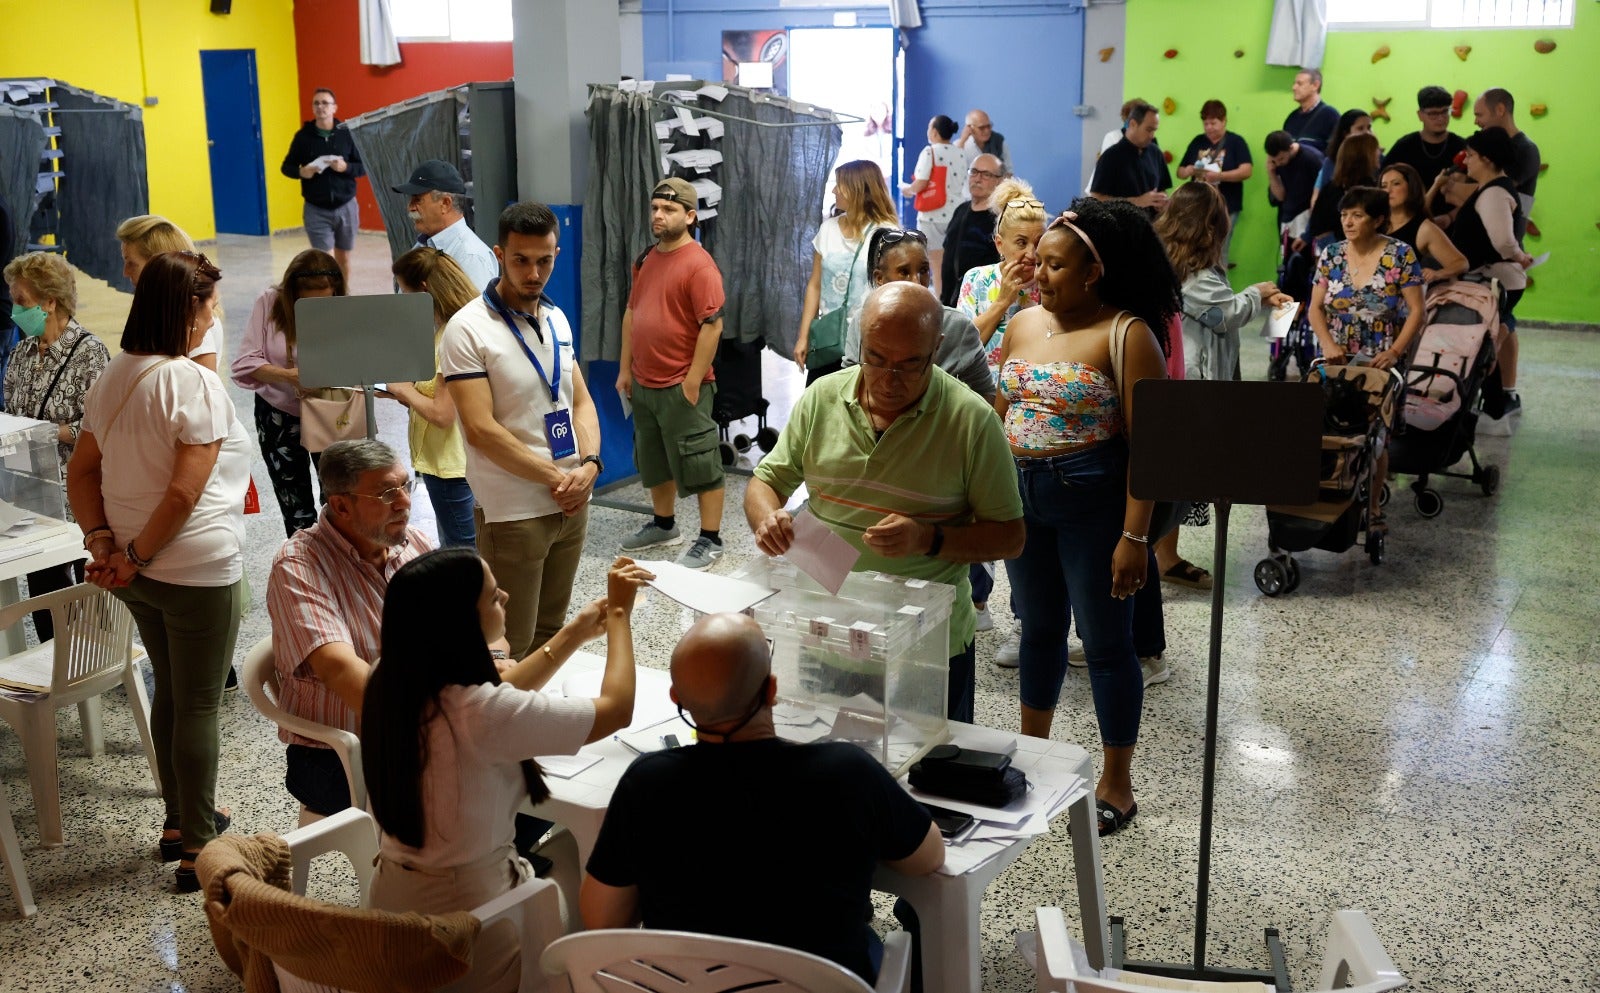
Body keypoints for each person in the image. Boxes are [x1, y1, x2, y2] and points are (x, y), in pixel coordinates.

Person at [580, 612, 943, 984]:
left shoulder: (647, 783)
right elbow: (928, 857)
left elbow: (602, 919)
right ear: (771, 690)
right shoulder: (847, 771)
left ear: (678, 699)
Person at [364, 550, 649, 993]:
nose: (506, 597)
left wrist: (572, 632)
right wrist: (618, 615)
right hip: (474, 921)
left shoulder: (389, 679)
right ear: (461, 624)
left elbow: (494, 697)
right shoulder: (482, 714)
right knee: (592, 855)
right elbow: (616, 710)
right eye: (494, 598)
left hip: (392, 905)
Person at [745, 283, 1026, 723]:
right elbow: (766, 481)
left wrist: (928, 539)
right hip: (828, 631)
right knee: (827, 767)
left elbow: (1010, 537)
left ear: (938, 347)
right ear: (859, 342)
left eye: (910, 364)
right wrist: (768, 520)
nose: (889, 380)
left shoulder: (971, 421)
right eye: (875, 359)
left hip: (926, 644)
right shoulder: (823, 398)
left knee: (929, 778)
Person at [993, 198, 1181, 834]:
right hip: (1024, 500)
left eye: (1053, 265)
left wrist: (1135, 537)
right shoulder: (1023, 324)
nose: (1037, 274)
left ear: (1092, 273)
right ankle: (1030, 759)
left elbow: (1151, 446)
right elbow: (1002, 410)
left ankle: (1117, 783)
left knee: (1104, 645)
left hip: (1094, 502)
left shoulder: (1127, 334)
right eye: (1035, 261)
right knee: (1037, 633)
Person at [66, 251, 250, 890]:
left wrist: (105, 548)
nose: (213, 317)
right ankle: (199, 846)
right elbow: (183, 494)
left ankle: (179, 819)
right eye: (208, 305)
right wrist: (135, 553)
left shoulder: (113, 374)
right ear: (186, 309)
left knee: (171, 691)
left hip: (137, 575)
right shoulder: (192, 383)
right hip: (194, 566)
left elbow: (81, 471)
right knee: (198, 704)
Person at [442, 202, 601, 658]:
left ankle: (537, 723)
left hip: (572, 501)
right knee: (507, 644)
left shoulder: (556, 318)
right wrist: (558, 480)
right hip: (514, 510)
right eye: (521, 260)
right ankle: (500, 726)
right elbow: (480, 429)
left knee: (551, 634)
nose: (534, 273)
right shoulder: (469, 329)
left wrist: (589, 467)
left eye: (544, 260)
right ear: (499, 255)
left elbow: (581, 401)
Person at [265, 440, 433, 817]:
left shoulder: (413, 544)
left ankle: (504, 867)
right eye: (387, 493)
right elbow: (344, 673)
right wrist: (444, 725)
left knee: (529, 778)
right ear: (341, 505)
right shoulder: (299, 566)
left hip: (419, 728)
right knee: (482, 792)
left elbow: (466, 624)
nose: (404, 502)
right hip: (336, 756)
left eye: (406, 486)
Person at [614, 179, 727, 571]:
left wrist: (693, 381)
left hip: (683, 384)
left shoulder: (699, 265)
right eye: (655, 208)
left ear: (690, 216)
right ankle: (664, 525)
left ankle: (711, 538)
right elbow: (632, 312)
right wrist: (625, 368)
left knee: (700, 461)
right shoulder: (646, 258)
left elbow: (712, 326)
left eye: (669, 210)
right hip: (644, 382)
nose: (659, 216)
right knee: (653, 460)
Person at [3, 252, 111, 639]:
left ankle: (94, 655)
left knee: (78, 578)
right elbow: (12, 412)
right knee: (42, 579)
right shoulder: (21, 354)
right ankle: (56, 655)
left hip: (74, 488)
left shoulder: (89, 353)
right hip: (30, 490)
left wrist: (50, 432)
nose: (15, 310)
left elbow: (103, 425)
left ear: (50, 302)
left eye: (22, 301)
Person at [1308, 186, 1426, 532]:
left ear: (1378, 219)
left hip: (1380, 359)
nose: (1348, 221)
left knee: (1375, 436)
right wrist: (1327, 343)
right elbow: (1315, 308)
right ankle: (1330, 498)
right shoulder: (1331, 255)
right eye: (1345, 214)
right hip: (1336, 356)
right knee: (1331, 430)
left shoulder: (1399, 255)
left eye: (1357, 215)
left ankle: (1372, 508)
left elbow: (1417, 310)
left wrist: (1394, 352)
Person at [230, 249, 347, 537]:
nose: (316, 309)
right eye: (307, 303)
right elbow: (246, 362)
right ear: (292, 294)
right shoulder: (269, 302)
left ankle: (339, 567)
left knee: (339, 500)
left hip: (330, 412)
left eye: (324, 300)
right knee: (294, 506)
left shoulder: (343, 308)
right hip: (278, 415)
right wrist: (288, 376)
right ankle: (305, 566)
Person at [384, 248, 478, 548]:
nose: (402, 298)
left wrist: (403, 390)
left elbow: (443, 414)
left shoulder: (452, 336)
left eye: (404, 289)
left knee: (462, 551)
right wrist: (412, 395)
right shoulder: (452, 328)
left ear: (423, 290)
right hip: (455, 463)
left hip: (451, 467)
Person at [1451, 128, 1533, 427]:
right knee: (1496, 336)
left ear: (1485, 159)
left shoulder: (1494, 192)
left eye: (1471, 156)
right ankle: (1497, 404)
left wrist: (1520, 256)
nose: (1466, 162)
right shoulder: (1491, 188)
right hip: (1495, 278)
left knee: (1485, 347)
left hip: (1495, 280)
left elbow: (1502, 241)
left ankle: (1492, 407)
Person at [794, 160, 897, 382]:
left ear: (859, 189)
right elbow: (815, 284)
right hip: (829, 340)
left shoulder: (887, 234)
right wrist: (804, 337)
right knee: (822, 407)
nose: (834, 190)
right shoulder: (828, 230)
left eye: (840, 185)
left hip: (870, 342)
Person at [862, 227, 993, 401]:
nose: (916, 281)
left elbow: (986, 395)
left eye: (923, 271)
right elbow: (852, 388)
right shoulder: (863, 321)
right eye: (904, 272)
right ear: (879, 278)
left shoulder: (957, 327)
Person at [957, 179, 1046, 373]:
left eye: (1038, 242)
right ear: (999, 244)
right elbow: (961, 350)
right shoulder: (976, 279)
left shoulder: (1049, 284)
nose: (1031, 254)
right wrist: (1002, 302)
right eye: (1021, 243)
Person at [116, 216, 223, 372]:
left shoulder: (193, 323)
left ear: (161, 266)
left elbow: (205, 390)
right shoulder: (167, 311)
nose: (125, 272)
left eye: (132, 263)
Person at [280, 88, 365, 279]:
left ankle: (343, 295)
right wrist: (302, 172)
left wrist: (345, 167)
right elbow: (286, 167)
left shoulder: (347, 134)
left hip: (346, 206)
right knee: (324, 259)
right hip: (316, 208)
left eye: (325, 103)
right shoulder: (302, 137)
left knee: (343, 257)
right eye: (316, 103)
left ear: (334, 107)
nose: (320, 107)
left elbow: (363, 167)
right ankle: (329, 297)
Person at [392, 159, 499, 291]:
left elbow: (474, 311)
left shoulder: (471, 257)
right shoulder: (421, 246)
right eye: (411, 200)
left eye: (417, 200)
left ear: (445, 203)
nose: (410, 207)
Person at [1175, 100, 1255, 263]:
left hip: (1226, 205)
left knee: (1220, 250)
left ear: (1224, 120)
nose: (1209, 127)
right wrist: (1189, 170)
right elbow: (1180, 172)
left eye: (1213, 123)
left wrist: (1220, 176)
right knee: (1193, 250)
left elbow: (1247, 170)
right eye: (1205, 123)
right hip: (1197, 206)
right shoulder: (1197, 141)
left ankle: (1221, 286)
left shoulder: (1236, 142)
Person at [900, 115, 968, 296]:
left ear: (935, 132)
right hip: (956, 214)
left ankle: (940, 304)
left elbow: (921, 183)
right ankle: (955, 299)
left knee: (936, 266)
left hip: (932, 216)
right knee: (953, 263)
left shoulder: (930, 152)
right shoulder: (960, 152)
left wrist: (907, 189)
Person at [1379, 163, 1467, 284]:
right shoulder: (1373, 222)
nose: (1388, 191)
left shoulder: (1424, 228)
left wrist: (1437, 274)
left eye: (1396, 184)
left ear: (1411, 188)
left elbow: (1461, 263)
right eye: (1383, 186)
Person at [938, 153, 1004, 308]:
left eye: (986, 174)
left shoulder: (1001, 218)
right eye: (974, 172)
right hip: (949, 303)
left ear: (999, 181)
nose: (977, 178)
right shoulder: (960, 210)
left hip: (981, 305)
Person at [1472, 88, 1540, 237]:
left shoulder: (1525, 149)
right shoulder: (1490, 149)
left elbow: (1495, 191)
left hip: (1507, 248)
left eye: (1479, 115)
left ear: (1500, 110)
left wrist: (1454, 187)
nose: (1476, 122)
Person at [1089, 100, 1170, 214]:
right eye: (1148, 130)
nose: (1152, 135)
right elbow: (1096, 198)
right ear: (1133, 124)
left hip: (1152, 227)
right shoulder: (1111, 156)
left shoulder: (1155, 153)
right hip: (1121, 227)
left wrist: (1162, 202)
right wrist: (1137, 201)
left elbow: (1162, 189)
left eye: (1154, 130)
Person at [1381, 86, 1468, 193]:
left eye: (1445, 112)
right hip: (1413, 208)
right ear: (1420, 115)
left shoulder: (1460, 145)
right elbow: (1382, 179)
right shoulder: (1405, 146)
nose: (1440, 118)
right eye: (1433, 114)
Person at [1308, 133, 1381, 253]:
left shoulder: (1332, 187)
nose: (1379, 152)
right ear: (1364, 155)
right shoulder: (1368, 190)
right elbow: (1318, 228)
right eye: (1375, 149)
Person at [1264, 130, 1326, 245]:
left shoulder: (1312, 158)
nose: (1278, 163)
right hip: (1288, 219)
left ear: (1291, 148)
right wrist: (1271, 173)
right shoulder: (1276, 163)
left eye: (1281, 159)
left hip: (1307, 218)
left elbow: (1324, 192)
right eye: (1274, 160)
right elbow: (1281, 197)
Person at [1315, 109, 1375, 193]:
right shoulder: (1331, 162)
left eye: (1369, 128)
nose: (1367, 133)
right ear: (1346, 134)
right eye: (1360, 128)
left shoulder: (1377, 159)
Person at [1284, 68, 1339, 151]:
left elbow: (1336, 153)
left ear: (1315, 85)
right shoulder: (1292, 118)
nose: (1294, 87)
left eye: (1299, 84)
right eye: (1294, 83)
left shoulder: (1330, 116)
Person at [955, 108, 1014, 175]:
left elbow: (1009, 171)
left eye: (989, 126)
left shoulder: (999, 141)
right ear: (970, 128)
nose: (987, 131)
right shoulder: (960, 145)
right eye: (982, 128)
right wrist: (962, 141)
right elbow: (954, 169)